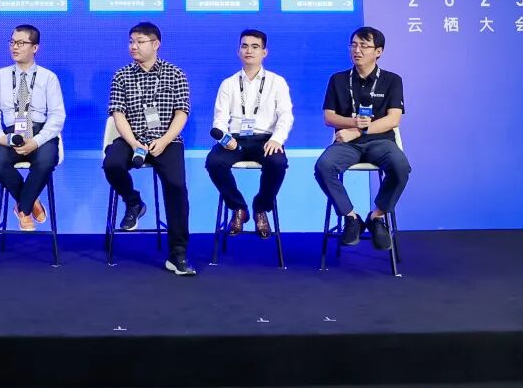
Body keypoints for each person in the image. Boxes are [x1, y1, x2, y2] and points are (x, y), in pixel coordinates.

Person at [103, 22, 195, 276]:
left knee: (176, 186)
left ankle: (178, 254)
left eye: (140, 41)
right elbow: (118, 114)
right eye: (131, 41)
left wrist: (164, 140)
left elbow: (182, 113)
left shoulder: (175, 74)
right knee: (111, 164)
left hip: (166, 141)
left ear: (156, 44)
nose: (133, 46)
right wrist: (134, 143)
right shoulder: (122, 75)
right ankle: (133, 202)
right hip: (132, 139)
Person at [314, 26, 411, 250]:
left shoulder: (392, 80)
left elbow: (393, 119)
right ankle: (351, 218)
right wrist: (353, 124)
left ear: (378, 51)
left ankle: (377, 217)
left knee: (401, 167)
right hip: (347, 144)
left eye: (364, 46)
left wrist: (359, 131)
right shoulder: (338, 79)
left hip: (381, 142)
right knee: (323, 167)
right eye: (354, 45)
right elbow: (329, 117)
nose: (357, 50)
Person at [204, 29, 294, 239]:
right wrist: (225, 139)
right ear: (238, 51)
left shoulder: (277, 82)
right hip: (234, 139)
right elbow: (219, 118)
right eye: (244, 46)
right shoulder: (228, 83)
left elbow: (286, 115)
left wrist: (277, 139)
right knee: (214, 162)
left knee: (278, 163)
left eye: (255, 47)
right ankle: (238, 207)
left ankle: (260, 207)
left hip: (265, 139)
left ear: (264, 52)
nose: (249, 51)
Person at [0, 25, 66, 231]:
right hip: (12, 133)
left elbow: (57, 116)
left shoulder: (48, 77)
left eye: (21, 43)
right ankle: (30, 201)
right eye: (12, 42)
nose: (14, 47)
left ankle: (23, 209)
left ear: (35, 47)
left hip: (41, 133)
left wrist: (36, 142)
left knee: (46, 162)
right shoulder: (0, 76)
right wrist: (0, 137)